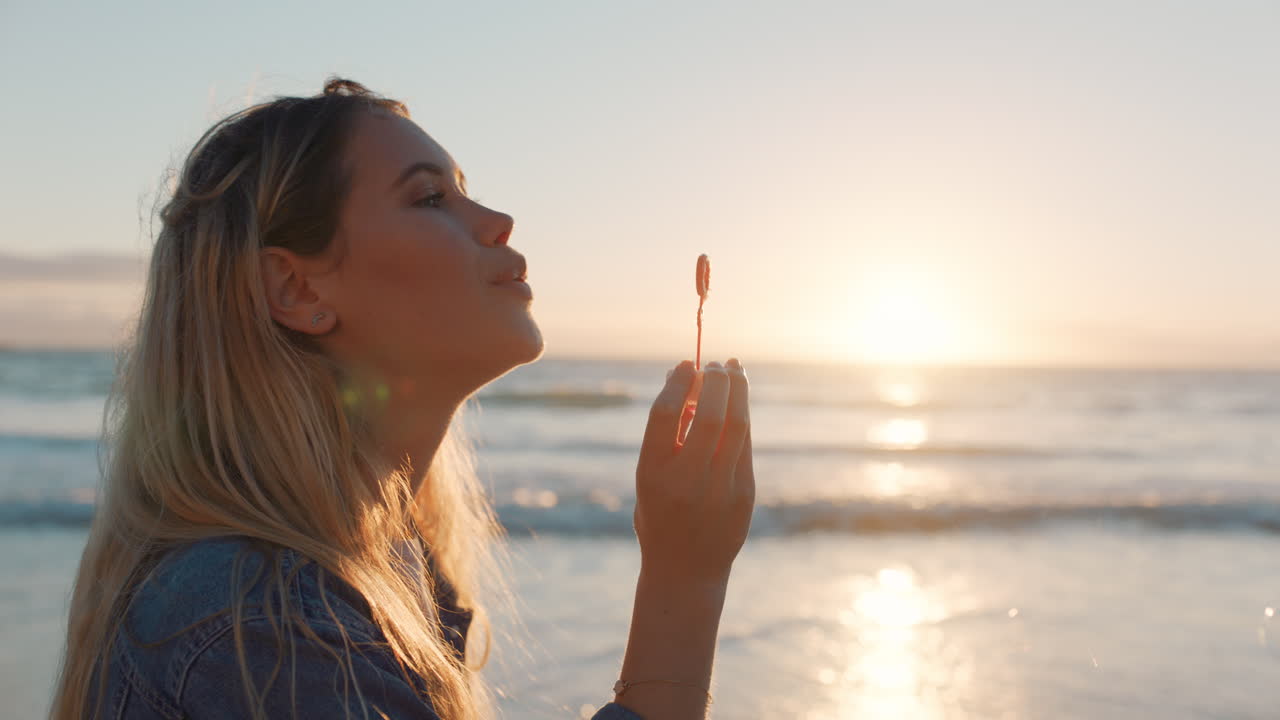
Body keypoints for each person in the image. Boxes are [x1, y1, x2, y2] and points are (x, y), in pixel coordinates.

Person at [48, 77, 754, 720]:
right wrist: (683, 583)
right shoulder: (258, 628)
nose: (498, 219)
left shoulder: (383, 578)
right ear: (298, 289)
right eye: (429, 198)